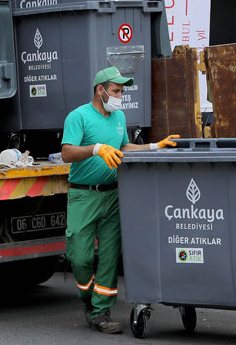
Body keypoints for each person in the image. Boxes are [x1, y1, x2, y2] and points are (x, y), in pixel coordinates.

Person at [60, 66, 179, 334]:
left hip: (113, 194)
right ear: (100, 90)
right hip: (83, 194)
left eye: (122, 91)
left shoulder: (119, 117)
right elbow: (67, 153)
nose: (120, 96)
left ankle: (101, 312)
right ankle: (89, 299)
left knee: (110, 257)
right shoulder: (78, 117)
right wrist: (96, 149)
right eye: (116, 91)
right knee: (80, 258)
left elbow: (123, 147)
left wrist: (154, 146)